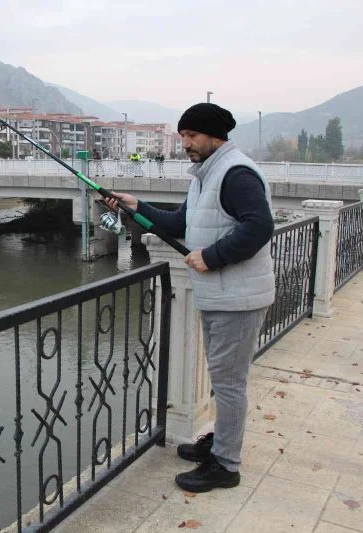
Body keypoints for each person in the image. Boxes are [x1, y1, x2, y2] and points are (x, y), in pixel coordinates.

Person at [105, 103, 274, 493]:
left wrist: (211, 256)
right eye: (182, 136)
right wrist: (136, 207)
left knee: (229, 383)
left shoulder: (236, 174)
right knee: (224, 379)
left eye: (192, 136)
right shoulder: (205, 175)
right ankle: (220, 443)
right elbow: (180, 223)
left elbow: (260, 226)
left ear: (216, 136)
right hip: (222, 295)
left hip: (239, 298)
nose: (185, 143)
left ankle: (226, 466)